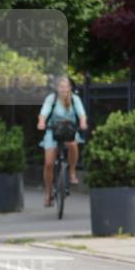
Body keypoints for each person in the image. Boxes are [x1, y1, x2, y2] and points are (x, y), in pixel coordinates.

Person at [37, 76, 88, 206]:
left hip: (69, 130)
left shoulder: (74, 99)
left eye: (66, 87)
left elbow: (82, 114)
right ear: (57, 88)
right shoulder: (51, 98)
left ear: (70, 88)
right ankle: (48, 194)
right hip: (53, 130)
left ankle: (72, 172)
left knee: (73, 144)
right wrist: (41, 122)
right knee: (49, 163)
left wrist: (83, 123)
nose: (63, 89)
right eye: (61, 87)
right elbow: (44, 113)